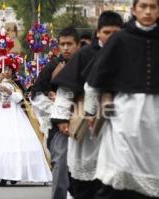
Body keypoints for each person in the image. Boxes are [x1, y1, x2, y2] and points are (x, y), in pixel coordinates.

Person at [84, 0, 159, 198]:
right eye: (143, 6)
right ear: (134, 10)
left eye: (153, 6)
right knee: (119, 177)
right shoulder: (120, 39)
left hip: (155, 118)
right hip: (125, 115)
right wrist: (90, 111)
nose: (148, 11)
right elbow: (95, 79)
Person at [51, 11, 123, 199]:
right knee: (85, 181)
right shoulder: (85, 54)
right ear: (98, 33)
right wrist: (61, 119)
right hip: (87, 125)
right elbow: (66, 90)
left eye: (116, 33)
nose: (112, 37)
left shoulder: (129, 55)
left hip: (120, 125)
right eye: (107, 32)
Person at [0, 54, 52, 186]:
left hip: (15, 116)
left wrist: (10, 92)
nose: (7, 72)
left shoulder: (16, 84)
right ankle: (3, 175)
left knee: (20, 143)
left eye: (10, 70)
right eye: (5, 69)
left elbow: (21, 99)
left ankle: (16, 173)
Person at [31, 26, 80, 199]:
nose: (66, 48)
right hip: (59, 128)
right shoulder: (53, 66)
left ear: (78, 45)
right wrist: (56, 108)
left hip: (84, 125)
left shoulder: (89, 63)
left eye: (70, 44)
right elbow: (35, 94)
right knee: (60, 166)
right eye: (62, 44)